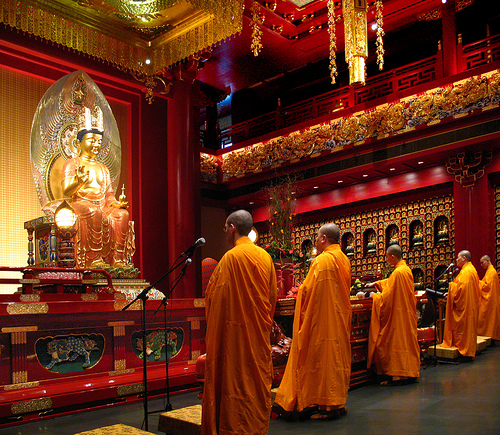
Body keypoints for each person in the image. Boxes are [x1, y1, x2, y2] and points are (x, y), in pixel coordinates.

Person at [201, 210, 277, 435]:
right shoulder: (265, 257)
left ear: (232, 228)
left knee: (236, 382)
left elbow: (215, 299)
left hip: (235, 339)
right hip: (257, 336)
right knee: (254, 382)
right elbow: (271, 298)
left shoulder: (231, 259)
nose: (225, 234)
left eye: (225, 229)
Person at [274, 223, 351, 420]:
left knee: (323, 360)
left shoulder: (321, 261)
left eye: (317, 237)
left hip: (323, 321)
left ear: (323, 238)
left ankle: (327, 406)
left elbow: (307, 291)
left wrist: (299, 293)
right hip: (340, 319)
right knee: (336, 359)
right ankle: (337, 402)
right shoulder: (343, 259)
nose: (316, 241)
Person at [61, 107, 130, 268]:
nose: (96, 145)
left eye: (99, 141)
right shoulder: (72, 164)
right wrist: (78, 181)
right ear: (78, 143)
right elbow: (66, 191)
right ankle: (93, 258)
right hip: (79, 202)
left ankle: (118, 260)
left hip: (102, 204)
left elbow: (109, 194)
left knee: (123, 215)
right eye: (91, 140)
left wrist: (115, 203)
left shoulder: (103, 168)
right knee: (94, 211)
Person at [365, 244, 420, 385]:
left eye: (387, 256)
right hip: (406, 314)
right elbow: (391, 284)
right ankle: (411, 371)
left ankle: (398, 374)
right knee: (407, 341)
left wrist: (375, 297)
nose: (387, 259)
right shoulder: (405, 269)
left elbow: (388, 297)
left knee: (389, 341)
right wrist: (376, 284)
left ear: (393, 257)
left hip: (398, 316)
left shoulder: (398, 273)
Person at [442, 250, 480, 359]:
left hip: (465, 307)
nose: (456, 260)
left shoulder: (466, 272)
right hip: (469, 306)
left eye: (458, 257)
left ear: (464, 258)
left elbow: (459, 290)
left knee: (464, 329)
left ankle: (465, 350)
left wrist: (450, 289)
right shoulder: (470, 270)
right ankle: (467, 349)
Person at [478, 255, 500, 341]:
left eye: (482, 262)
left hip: (490, 300)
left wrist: (477, 282)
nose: (481, 265)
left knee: (485, 319)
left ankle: (489, 337)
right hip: (491, 299)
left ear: (488, 260)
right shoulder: (490, 271)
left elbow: (487, 287)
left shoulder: (491, 272)